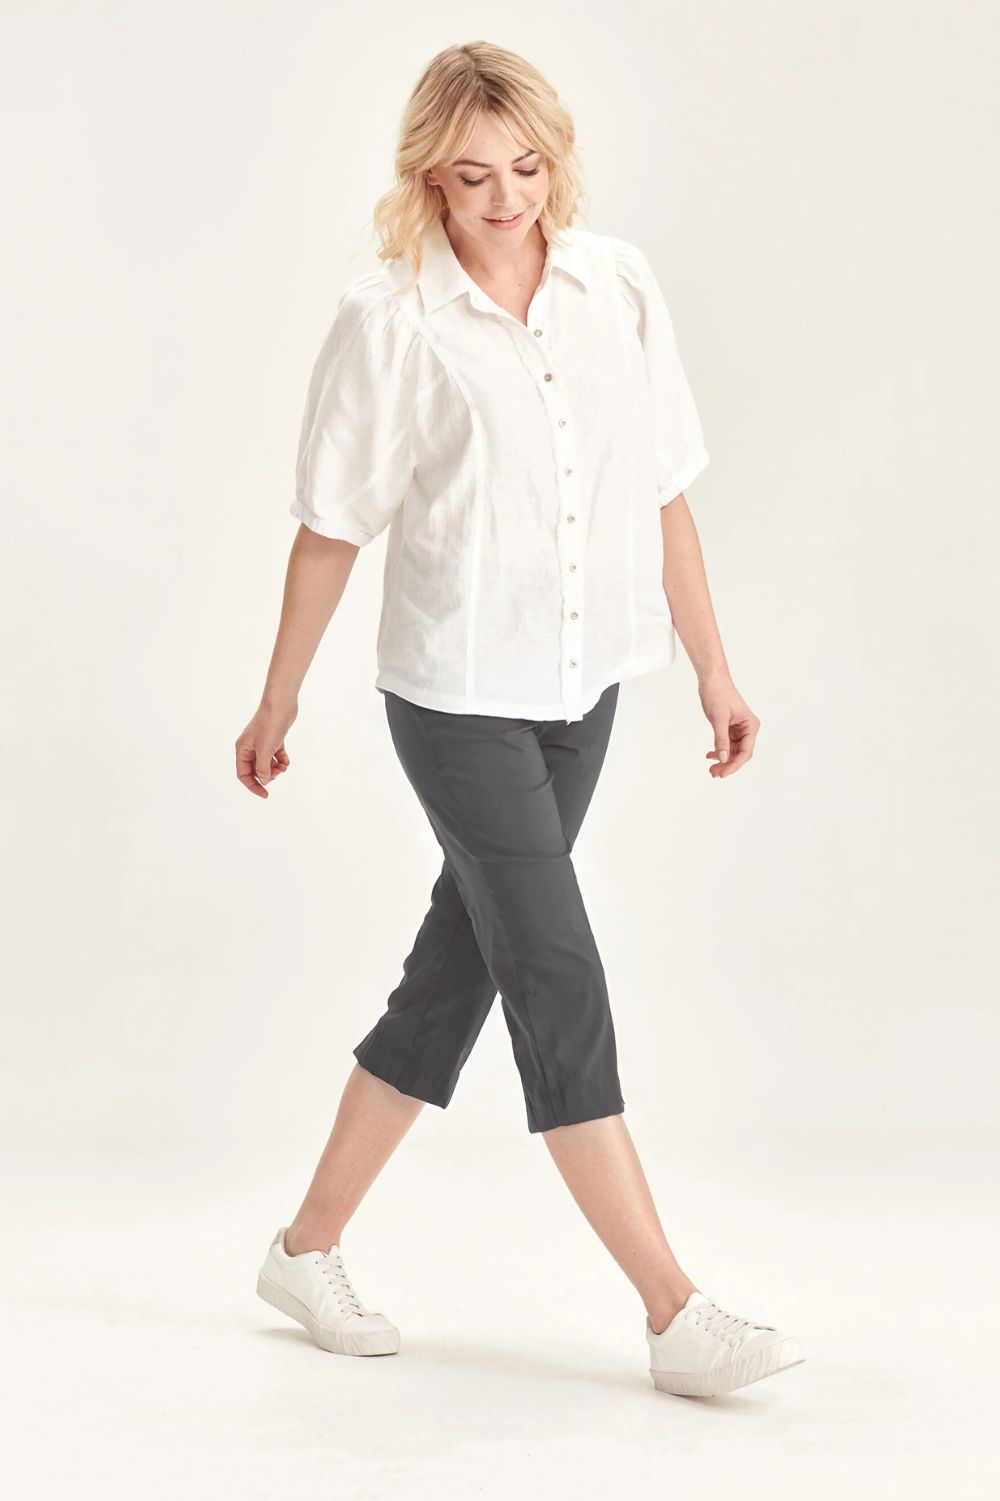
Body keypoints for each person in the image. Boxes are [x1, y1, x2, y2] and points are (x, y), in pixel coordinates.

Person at [237, 42, 804, 1399]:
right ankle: (673, 1313)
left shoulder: (618, 286)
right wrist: (278, 694)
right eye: (475, 174)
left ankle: (303, 1249)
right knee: (556, 971)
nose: (507, 198)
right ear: (429, 175)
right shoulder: (392, 320)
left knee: (457, 974)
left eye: (530, 167)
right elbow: (331, 527)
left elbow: (663, 492)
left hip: (583, 687)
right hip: (455, 698)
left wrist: (714, 668)